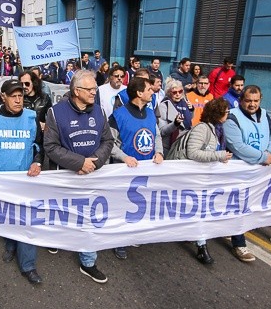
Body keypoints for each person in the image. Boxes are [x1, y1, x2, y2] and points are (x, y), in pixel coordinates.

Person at [43, 70, 114, 283]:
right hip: (65, 177)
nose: (95, 92)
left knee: (89, 220)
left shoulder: (100, 111)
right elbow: (50, 146)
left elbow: (108, 141)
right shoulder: (55, 113)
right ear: (76, 91)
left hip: (92, 176)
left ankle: (88, 262)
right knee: (61, 215)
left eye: (95, 88)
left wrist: (94, 162)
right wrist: (78, 163)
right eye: (90, 89)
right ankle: (55, 238)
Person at [0, 80, 45, 285]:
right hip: (1, 182)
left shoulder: (31, 117)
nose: (17, 100)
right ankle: (10, 245)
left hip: (25, 180)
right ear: (2, 96)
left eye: (21, 96)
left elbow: (39, 145)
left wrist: (37, 162)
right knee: (7, 217)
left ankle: (28, 265)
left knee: (26, 221)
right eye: (13, 96)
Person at [165, 97, 233, 264]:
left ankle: (198, 243)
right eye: (226, 112)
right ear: (218, 114)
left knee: (198, 211)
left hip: (200, 179)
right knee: (196, 210)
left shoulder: (218, 131)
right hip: (188, 177)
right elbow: (193, 153)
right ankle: (201, 245)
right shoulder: (203, 129)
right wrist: (219, 156)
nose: (228, 115)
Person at [109, 76, 165, 259]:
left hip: (146, 170)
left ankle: (134, 234)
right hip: (125, 171)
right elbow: (109, 143)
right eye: (149, 89)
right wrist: (124, 157)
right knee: (122, 206)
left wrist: (159, 152)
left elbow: (156, 136)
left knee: (140, 205)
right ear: (139, 93)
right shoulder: (118, 116)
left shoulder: (150, 114)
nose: (153, 92)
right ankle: (119, 241)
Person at [223, 85, 271, 261]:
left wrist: (269, 154)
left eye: (256, 101)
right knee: (240, 206)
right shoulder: (232, 118)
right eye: (248, 101)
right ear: (241, 100)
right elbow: (237, 146)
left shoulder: (266, 116)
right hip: (239, 172)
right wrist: (263, 157)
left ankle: (227, 229)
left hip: (258, 171)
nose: (252, 104)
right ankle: (239, 244)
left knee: (244, 206)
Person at [157, 77, 193, 154]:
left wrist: (191, 110)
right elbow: (162, 131)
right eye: (174, 92)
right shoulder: (164, 105)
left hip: (184, 145)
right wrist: (175, 124)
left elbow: (189, 121)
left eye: (180, 91)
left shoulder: (185, 103)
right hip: (169, 146)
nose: (178, 94)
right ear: (169, 93)